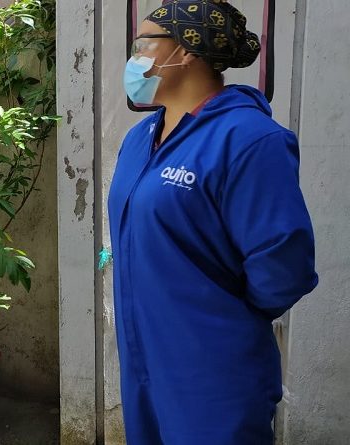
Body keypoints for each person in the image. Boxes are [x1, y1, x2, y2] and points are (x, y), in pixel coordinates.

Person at [108, 1, 318, 443]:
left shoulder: (250, 140)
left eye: (143, 45)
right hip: (144, 364)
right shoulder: (139, 138)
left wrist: (220, 318)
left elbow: (284, 267)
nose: (134, 58)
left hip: (213, 374)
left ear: (186, 50)